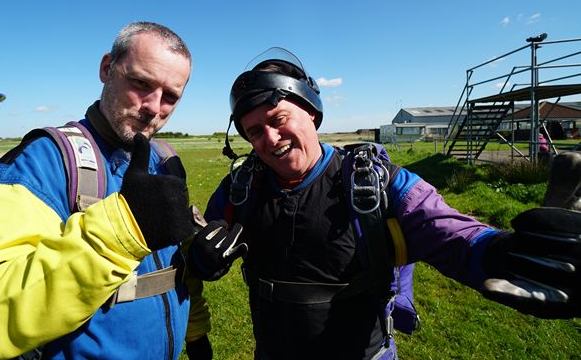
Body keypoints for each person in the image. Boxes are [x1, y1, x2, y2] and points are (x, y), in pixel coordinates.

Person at [188, 48, 581, 360]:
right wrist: (202, 258)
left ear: (311, 112)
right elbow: (204, 238)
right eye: (255, 131)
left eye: (278, 119)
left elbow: (449, 233)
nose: (270, 138)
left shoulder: (372, 180)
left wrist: (502, 254)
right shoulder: (241, 187)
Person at [0, 22, 212, 360]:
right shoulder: (42, 162)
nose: (154, 106)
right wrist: (120, 233)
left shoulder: (165, 161)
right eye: (141, 83)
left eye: (170, 97)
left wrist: (197, 331)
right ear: (107, 68)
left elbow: (171, 273)